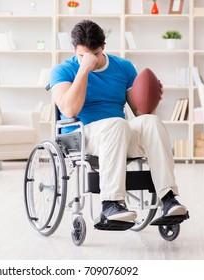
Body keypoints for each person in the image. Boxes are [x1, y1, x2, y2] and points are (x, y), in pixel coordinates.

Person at [50, 20, 188, 225]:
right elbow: (70, 110)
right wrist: (83, 70)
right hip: (82, 135)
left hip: (118, 133)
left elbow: (140, 112)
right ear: (74, 50)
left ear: (104, 47)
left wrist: (153, 97)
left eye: (95, 54)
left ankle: (168, 198)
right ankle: (111, 203)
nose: (90, 60)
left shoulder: (123, 67)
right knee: (117, 124)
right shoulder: (63, 70)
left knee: (151, 121)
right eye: (82, 56)